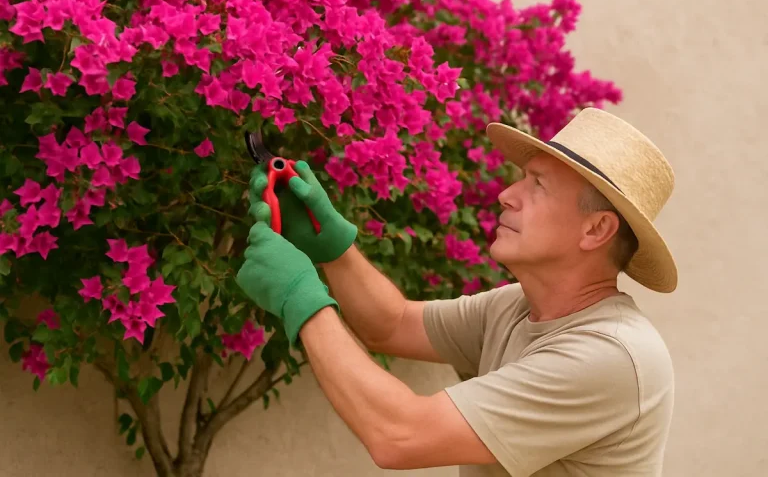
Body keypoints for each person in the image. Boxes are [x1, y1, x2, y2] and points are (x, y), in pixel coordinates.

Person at [236, 107, 677, 476]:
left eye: (538, 185)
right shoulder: (517, 308)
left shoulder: (610, 356)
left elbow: (399, 435)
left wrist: (301, 297)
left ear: (596, 228)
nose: (507, 194)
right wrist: (331, 246)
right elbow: (391, 325)